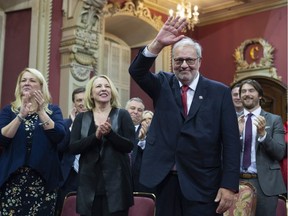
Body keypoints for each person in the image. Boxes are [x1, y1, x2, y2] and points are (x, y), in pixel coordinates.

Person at [129, 16, 241, 216]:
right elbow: (137, 71)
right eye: (178, 60)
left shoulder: (220, 92)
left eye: (189, 60)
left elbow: (231, 142)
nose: (184, 65)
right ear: (172, 62)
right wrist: (158, 43)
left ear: (199, 61)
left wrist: (229, 185)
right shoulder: (163, 84)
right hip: (165, 180)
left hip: (204, 182)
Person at [0, 68, 66, 216]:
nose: (27, 83)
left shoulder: (53, 111)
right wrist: (21, 115)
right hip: (13, 179)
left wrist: (41, 111)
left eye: (32, 80)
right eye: (23, 80)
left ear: (41, 86)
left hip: (43, 180)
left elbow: (58, 136)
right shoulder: (9, 110)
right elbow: (3, 139)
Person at [69, 74, 135, 216]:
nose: (104, 89)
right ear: (91, 94)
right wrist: (96, 136)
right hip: (89, 185)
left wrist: (110, 134)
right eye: (99, 86)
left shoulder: (122, 114)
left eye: (107, 86)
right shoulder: (82, 118)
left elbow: (129, 145)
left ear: (112, 92)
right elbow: (73, 147)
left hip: (117, 186)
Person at [238, 79, 286, 216]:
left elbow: (279, 152)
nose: (247, 94)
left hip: (265, 183)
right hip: (237, 181)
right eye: (243, 91)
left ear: (259, 95)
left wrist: (263, 135)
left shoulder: (274, 120)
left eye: (251, 90)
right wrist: (237, 134)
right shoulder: (233, 120)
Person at [56, 87, 86, 216]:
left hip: (90, 176)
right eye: (78, 100)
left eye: (85, 99)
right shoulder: (65, 123)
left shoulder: (99, 123)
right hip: (68, 177)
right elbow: (60, 147)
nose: (82, 103)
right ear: (74, 103)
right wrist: (74, 125)